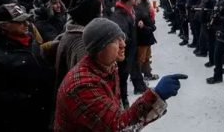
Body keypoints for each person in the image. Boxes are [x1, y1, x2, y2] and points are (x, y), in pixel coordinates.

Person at [54, 18, 187, 131]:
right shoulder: (82, 86)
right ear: (99, 47)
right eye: (116, 40)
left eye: (122, 38)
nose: (124, 44)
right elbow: (118, 126)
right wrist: (156, 95)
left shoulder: (107, 66)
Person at [0, 3, 54, 131]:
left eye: (26, 20)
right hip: (22, 121)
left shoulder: (31, 42)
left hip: (42, 114)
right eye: (20, 21)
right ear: (4, 25)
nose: (26, 24)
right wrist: (31, 99)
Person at [134, 0, 159, 81]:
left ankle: (147, 73)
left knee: (147, 56)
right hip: (141, 35)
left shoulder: (146, 3)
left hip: (147, 33)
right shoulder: (137, 5)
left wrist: (152, 25)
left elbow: (148, 17)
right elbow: (138, 21)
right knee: (141, 58)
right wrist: (146, 27)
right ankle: (137, 78)